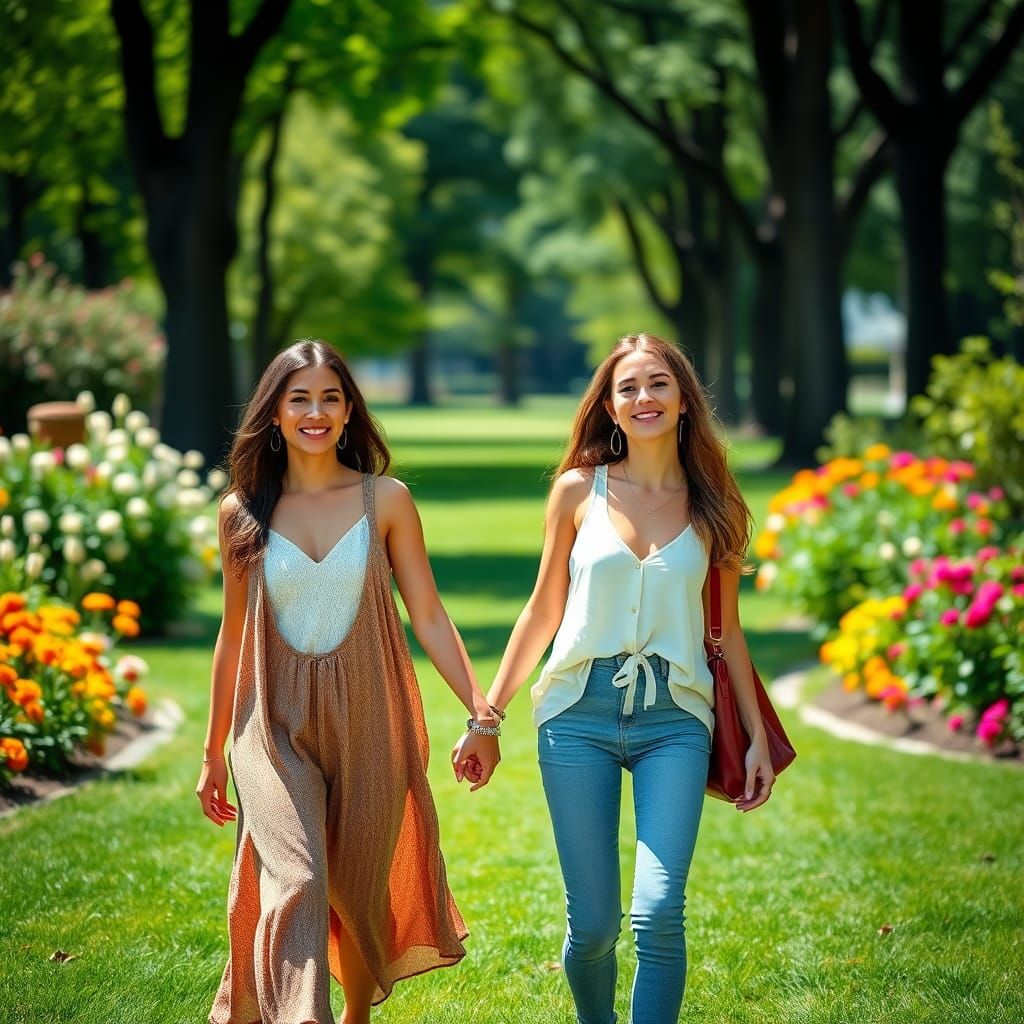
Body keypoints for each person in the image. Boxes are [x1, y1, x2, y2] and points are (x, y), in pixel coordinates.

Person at [197, 339, 500, 1024]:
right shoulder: (240, 511)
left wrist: (479, 708)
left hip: (372, 717)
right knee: (300, 878)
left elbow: (426, 611)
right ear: (273, 413)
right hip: (270, 726)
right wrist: (214, 750)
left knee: (359, 889)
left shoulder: (385, 500)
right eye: (299, 398)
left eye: (330, 398)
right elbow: (230, 636)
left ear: (348, 411)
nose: (315, 411)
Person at [481, 332, 774, 1024]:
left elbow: (727, 633)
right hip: (575, 717)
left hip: (675, 721)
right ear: (610, 408)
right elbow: (543, 607)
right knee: (593, 930)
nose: (644, 398)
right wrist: (487, 715)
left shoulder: (716, 505)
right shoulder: (577, 492)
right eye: (628, 388)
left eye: (658, 385)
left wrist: (758, 738)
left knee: (658, 912)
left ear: (683, 402)